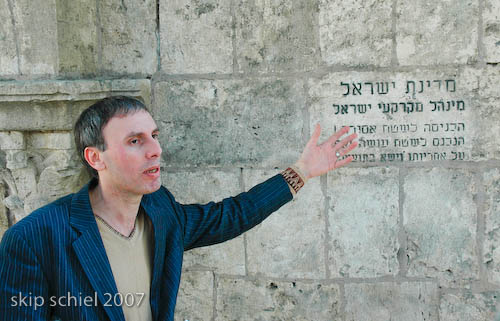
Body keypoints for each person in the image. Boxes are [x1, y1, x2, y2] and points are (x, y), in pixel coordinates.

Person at [0, 96, 358, 321]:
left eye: (154, 136)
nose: (155, 149)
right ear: (96, 157)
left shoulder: (161, 212)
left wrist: (302, 171)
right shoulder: (33, 239)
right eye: (135, 141)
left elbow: (230, 216)